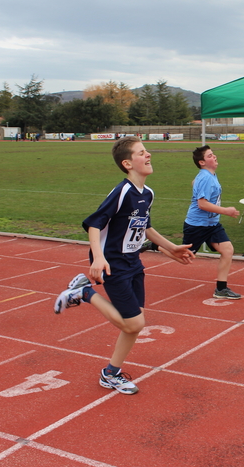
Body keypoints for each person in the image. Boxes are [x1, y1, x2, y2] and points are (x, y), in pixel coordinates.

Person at [54, 136, 195, 395]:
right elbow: (94, 223)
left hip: (133, 262)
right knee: (134, 324)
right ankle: (84, 292)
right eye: (142, 153)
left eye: (147, 151)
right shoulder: (122, 192)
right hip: (113, 263)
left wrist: (170, 248)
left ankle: (111, 373)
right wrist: (98, 257)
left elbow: (145, 228)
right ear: (128, 163)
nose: (149, 155)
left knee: (133, 322)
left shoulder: (147, 193)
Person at [183, 145, 243, 299]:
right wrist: (226, 211)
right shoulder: (206, 177)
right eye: (210, 156)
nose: (214, 157)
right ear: (202, 162)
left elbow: (194, 182)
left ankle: (221, 289)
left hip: (212, 224)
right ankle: (156, 244)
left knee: (227, 250)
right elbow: (202, 204)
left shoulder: (208, 175)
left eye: (213, 154)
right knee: (184, 257)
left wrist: (197, 185)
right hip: (197, 225)